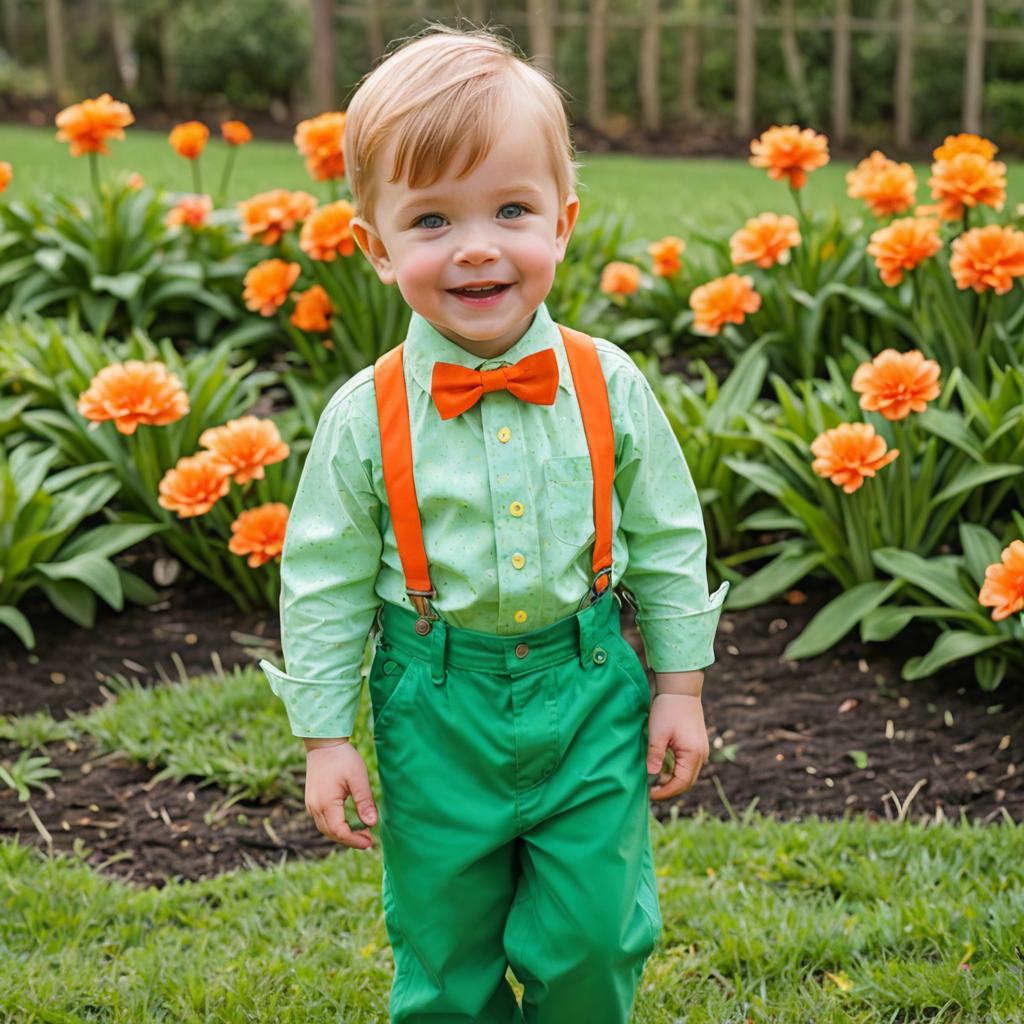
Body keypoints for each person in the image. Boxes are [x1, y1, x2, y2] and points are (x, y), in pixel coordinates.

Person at [259, 21, 729, 1024]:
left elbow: (670, 534)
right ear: (375, 246)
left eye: (509, 209)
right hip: (437, 708)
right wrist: (323, 737)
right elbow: (325, 578)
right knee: (444, 949)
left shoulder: (608, 383)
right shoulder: (365, 414)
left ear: (560, 221)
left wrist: (679, 683)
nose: (476, 247)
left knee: (595, 935)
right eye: (431, 220)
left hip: (588, 689)